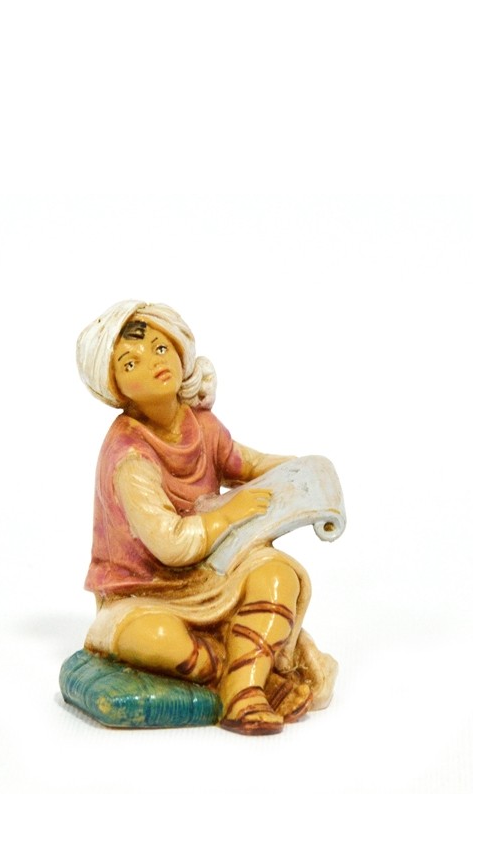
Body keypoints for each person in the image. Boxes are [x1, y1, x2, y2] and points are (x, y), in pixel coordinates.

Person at [77, 300, 337, 735]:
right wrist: (229, 513)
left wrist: (301, 470)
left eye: (161, 348)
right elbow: (171, 544)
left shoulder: (200, 423)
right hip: (140, 594)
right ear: (115, 387)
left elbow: (244, 464)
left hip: (210, 575)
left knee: (278, 575)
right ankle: (246, 669)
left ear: (181, 351)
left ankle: (245, 691)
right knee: (158, 639)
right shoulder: (130, 457)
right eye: (131, 362)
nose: (154, 363)